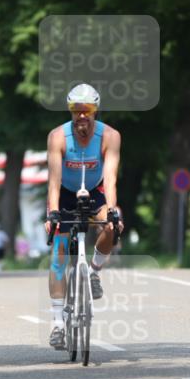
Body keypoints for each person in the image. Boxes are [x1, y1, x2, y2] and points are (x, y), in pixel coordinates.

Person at [44, 83, 123, 350]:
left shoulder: (110, 136)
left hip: (96, 191)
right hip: (65, 194)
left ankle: (93, 272)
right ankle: (57, 323)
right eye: (75, 110)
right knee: (59, 250)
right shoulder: (57, 137)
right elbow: (53, 182)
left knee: (112, 227)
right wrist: (53, 214)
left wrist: (112, 211)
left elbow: (110, 179)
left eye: (86, 110)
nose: (81, 115)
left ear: (95, 111)